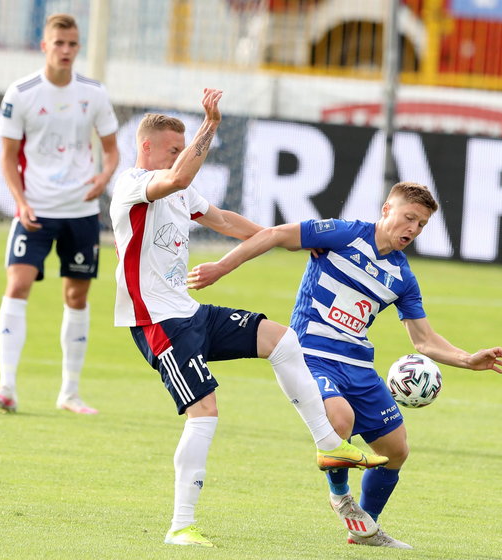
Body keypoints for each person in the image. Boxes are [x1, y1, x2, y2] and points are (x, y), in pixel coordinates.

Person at [108, 88, 388, 548]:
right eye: (173, 150)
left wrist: (278, 237)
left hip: (191, 312)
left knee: (279, 339)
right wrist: (210, 126)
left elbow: (221, 220)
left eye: (183, 149)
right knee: (205, 412)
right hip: (157, 322)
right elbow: (176, 180)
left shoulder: (181, 190)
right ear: (147, 148)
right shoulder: (133, 184)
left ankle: (328, 443)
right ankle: (181, 525)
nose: (180, 157)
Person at [188, 181, 502, 549]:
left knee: (396, 450)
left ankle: (365, 530)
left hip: (358, 363)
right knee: (340, 420)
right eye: (408, 218)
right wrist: (222, 267)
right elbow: (276, 234)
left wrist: (468, 359)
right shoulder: (343, 234)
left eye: (421, 225)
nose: (413, 230)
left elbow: (423, 340)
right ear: (387, 209)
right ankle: (341, 498)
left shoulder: (403, 277)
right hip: (312, 352)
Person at [0, 13, 120, 415]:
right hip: (36, 209)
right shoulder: (21, 93)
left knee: (76, 296)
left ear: (78, 48)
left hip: (80, 210)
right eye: (58, 43)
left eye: (72, 44)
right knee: (18, 284)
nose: (66, 50)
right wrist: (21, 201)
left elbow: (112, 150)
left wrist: (104, 176)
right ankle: (6, 386)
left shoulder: (94, 93)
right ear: (44, 46)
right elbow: (7, 158)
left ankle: (70, 392)